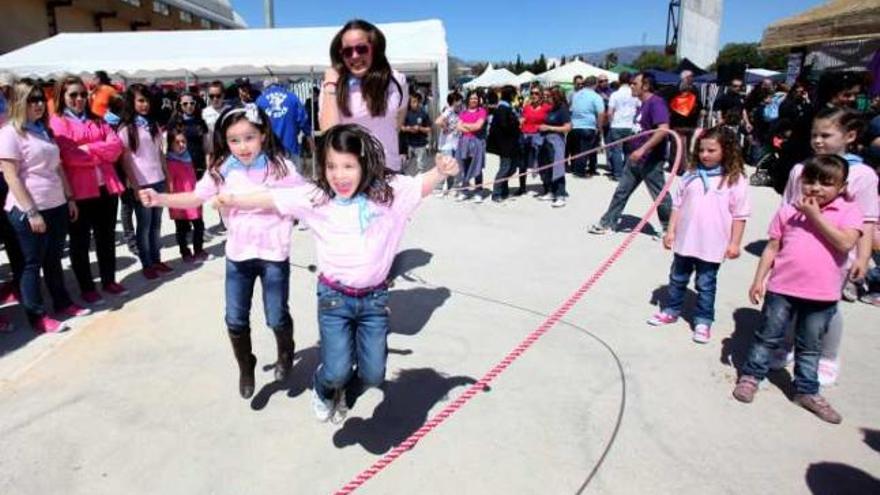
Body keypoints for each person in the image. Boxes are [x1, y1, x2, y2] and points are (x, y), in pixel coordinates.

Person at [213, 123, 460, 422]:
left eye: (348, 166)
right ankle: (323, 388)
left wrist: (441, 172)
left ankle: (348, 393)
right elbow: (274, 198)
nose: (339, 175)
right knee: (336, 369)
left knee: (372, 374)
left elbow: (421, 184)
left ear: (364, 164)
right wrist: (235, 200)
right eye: (331, 166)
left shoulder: (388, 194)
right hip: (334, 299)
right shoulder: (318, 197)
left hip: (374, 300)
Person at [139, 103, 302, 399]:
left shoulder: (281, 167)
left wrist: (238, 201)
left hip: (274, 255)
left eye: (249, 137)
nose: (243, 146)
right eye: (234, 140)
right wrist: (159, 197)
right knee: (235, 319)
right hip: (238, 256)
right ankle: (246, 364)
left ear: (263, 134)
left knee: (276, 316)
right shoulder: (221, 171)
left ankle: (285, 349)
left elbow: (300, 197)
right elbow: (195, 197)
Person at [733, 155, 863, 425]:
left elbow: (844, 244)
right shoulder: (788, 211)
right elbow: (772, 247)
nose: (815, 188)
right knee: (767, 336)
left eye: (826, 183)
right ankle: (751, 376)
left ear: (842, 187)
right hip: (782, 287)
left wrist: (815, 216)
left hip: (822, 294)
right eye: (810, 181)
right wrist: (759, 279)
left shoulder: (850, 211)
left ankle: (806, 390)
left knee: (810, 345)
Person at [774, 108, 879, 385]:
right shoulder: (800, 169)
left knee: (826, 308)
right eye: (814, 135)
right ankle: (786, 346)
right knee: (788, 302)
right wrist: (778, 247)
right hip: (797, 251)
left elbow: (867, 220)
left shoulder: (863, 174)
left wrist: (863, 256)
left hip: (837, 254)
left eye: (826, 135)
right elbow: (787, 210)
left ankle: (827, 356)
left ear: (850, 136)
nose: (818, 141)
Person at [0, 79, 90, 333]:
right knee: (31, 264)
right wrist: (31, 212)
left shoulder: (42, 130)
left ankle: (62, 302)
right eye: (32, 99)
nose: (39, 104)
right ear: (19, 102)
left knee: (53, 259)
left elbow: (58, 167)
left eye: (41, 99)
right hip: (30, 208)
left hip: (56, 204)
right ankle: (37, 316)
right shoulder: (9, 133)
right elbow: (11, 176)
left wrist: (69, 198)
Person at [647, 127, 750, 343]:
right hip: (686, 240)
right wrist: (671, 231)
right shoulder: (691, 174)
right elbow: (677, 204)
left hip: (712, 244)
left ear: (727, 151)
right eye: (701, 150)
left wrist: (735, 243)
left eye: (711, 150)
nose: (704, 155)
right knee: (677, 278)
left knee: (706, 283)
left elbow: (740, 214)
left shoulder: (734, 179)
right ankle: (671, 310)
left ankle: (703, 320)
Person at [49, 75, 128, 305]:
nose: (79, 99)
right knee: (80, 242)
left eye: (83, 94)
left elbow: (116, 148)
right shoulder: (58, 123)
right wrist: (99, 152)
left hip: (107, 188)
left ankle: (109, 280)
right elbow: (68, 156)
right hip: (80, 192)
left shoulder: (99, 119)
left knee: (106, 238)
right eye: (73, 95)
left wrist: (87, 148)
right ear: (62, 97)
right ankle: (86, 287)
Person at [319, 19, 408, 172]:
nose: (354, 56)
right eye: (347, 51)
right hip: (349, 176)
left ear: (374, 48)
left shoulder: (397, 81)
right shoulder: (332, 85)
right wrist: (331, 84)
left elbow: (397, 121)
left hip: (387, 171)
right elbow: (329, 134)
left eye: (361, 49)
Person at [589, 72, 672, 235]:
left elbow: (663, 129)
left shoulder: (656, 103)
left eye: (634, 83)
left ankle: (669, 228)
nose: (631, 86)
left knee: (659, 194)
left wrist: (642, 149)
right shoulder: (641, 104)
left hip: (650, 159)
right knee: (621, 191)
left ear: (646, 86)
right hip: (635, 158)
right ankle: (608, 223)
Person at [118, 84, 170, 280]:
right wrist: (135, 186)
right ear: (131, 103)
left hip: (158, 181)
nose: (144, 104)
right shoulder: (126, 129)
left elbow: (159, 153)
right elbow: (126, 161)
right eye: (140, 100)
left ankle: (156, 259)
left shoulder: (153, 125)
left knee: (156, 225)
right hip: (142, 184)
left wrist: (167, 177)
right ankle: (147, 263)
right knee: (144, 225)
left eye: (147, 100)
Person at [164, 126, 209, 263]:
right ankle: (185, 252)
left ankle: (198, 250)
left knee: (199, 225)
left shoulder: (188, 157)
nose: (182, 145)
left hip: (193, 198)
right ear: (170, 144)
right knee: (182, 228)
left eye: (183, 141)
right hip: (180, 201)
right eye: (177, 142)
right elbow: (170, 184)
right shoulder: (169, 162)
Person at [256, 77, 312, 174]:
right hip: (291, 147)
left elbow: (255, 124)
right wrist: (309, 136)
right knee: (294, 179)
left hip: (269, 149)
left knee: (272, 180)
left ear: (265, 86)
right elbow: (303, 119)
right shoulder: (292, 97)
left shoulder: (260, 100)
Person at [537, 86, 571, 208]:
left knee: (557, 167)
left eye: (549, 96)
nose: (546, 98)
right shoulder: (551, 109)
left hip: (556, 141)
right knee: (547, 167)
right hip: (546, 140)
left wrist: (549, 128)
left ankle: (560, 194)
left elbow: (567, 127)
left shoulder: (562, 109)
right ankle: (551, 191)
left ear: (555, 96)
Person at [487, 85, 522, 202]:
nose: (515, 96)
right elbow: (504, 126)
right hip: (505, 145)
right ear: (510, 95)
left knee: (512, 168)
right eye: (514, 94)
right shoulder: (502, 108)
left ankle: (504, 188)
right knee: (505, 168)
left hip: (512, 144)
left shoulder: (508, 107)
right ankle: (496, 193)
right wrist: (517, 123)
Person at [167, 92, 211, 179]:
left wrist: (208, 165)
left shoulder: (201, 122)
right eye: (185, 104)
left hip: (199, 164)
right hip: (182, 164)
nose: (189, 106)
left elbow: (206, 147)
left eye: (192, 103)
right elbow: (170, 148)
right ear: (180, 105)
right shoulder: (174, 122)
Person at [455, 91, 488, 203]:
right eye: (472, 98)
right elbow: (458, 127)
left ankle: (478, 191)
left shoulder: (482, 111)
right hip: (464, 142)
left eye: (476, 98)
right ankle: (464, 190)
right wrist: (470, 127)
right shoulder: (463, 112)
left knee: (477, 168)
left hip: (477, 142)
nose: (474, 100)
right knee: (464, 166)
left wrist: (465, 125)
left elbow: (478, 126)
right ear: (468, 99)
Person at [569, 76, 605, 177]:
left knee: (577, 149)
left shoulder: (576, 95)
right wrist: (599, 127)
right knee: (585, 150)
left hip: (575, 126)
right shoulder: (596, 96)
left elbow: (572, 109)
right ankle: (580, 172)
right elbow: (601, 113)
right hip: (588, 126)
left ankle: (576, 168)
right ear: (595, 84)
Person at [606, 71, 639, 181]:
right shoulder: (634, 94)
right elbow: (640, 107)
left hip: (617, 125)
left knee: (616, 150)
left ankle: (617, 174)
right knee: (628, 151)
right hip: (630, 125)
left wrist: (611, 122)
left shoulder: (615, 94)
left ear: (619, 80)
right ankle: (627, 173)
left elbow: (610, 112)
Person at [519, 85, 551, 196]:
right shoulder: (526, 107)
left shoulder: (547, 107)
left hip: (540, 138)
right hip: (525, 137)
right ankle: (522, 187)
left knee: (542, 163)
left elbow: (550, 122)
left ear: (541, 95)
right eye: (532, 93)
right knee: (522, 164)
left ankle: (547, 187)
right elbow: (522, 119)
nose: (534, 95)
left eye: (536, 93)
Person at [433, 91, 463, 195]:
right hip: (447, 144)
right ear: (453, 102)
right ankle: (443, 187)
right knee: (446, 166)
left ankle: (454, 187)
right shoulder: (449, 111)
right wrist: (446, 127)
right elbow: (438, 121)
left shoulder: (461, 111)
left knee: (456, 166)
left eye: (460, 100)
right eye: (458, 100)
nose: (460, 103)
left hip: (457, 143)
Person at [400, 93, 432, 176]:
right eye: (413, 102)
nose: (416, 104)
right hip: (409, 144)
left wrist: (420, 128)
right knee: (406, 165)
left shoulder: (423, 114)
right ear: (409, 103)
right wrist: (409, 129)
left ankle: (420, 182)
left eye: (417, 102)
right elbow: (401, 127)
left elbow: (429, 129)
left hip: (421, 144)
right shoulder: (406, 114)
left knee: (420, 165)